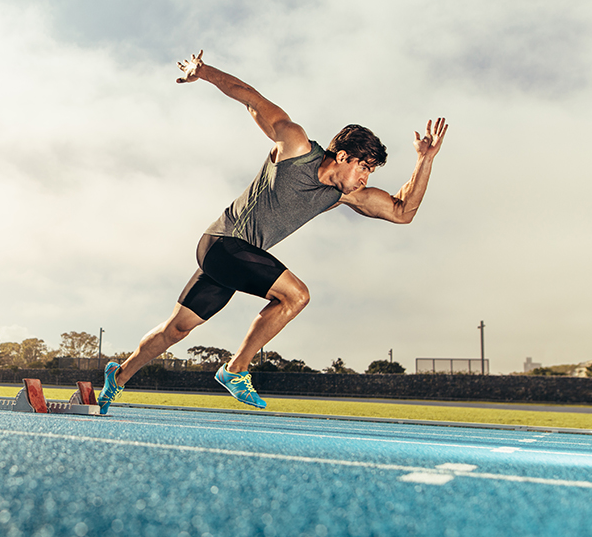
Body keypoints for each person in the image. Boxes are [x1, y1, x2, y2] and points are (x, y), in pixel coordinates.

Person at [98, 50, 448, 413]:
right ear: (343, 156)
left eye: (370, 173)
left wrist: (425, 161)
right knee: (296, 295)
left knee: (177, 329)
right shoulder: (295, 146)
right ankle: (235, 370)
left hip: (238, 260)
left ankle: (117, 377)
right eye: (364, 167)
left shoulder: (343, 196)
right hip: (222, 243)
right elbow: (250, 98)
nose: (365, 178)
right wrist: (202, 71)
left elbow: (403, 211)